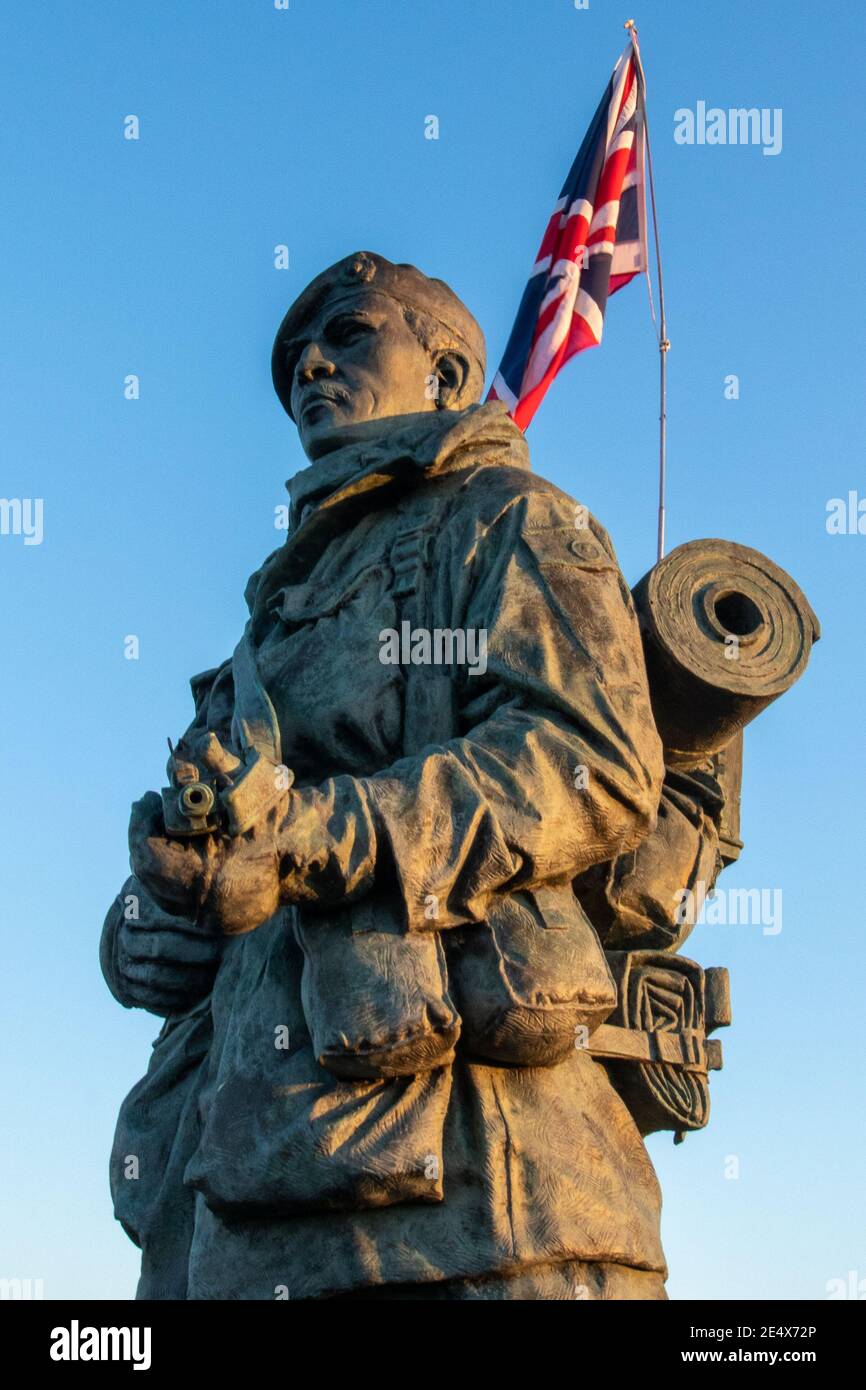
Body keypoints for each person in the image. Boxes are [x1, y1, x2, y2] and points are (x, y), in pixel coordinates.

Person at [102, 251, 670, 1300]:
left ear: (447, 377)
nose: (311, 364)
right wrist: (147, 924)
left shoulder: (505, 518)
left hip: (475, 1194)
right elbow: (219, 870)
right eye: (291, 364)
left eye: (351, 334)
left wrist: (316, 835)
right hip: (238, 1199)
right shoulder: (264, 623)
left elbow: (587, 758)